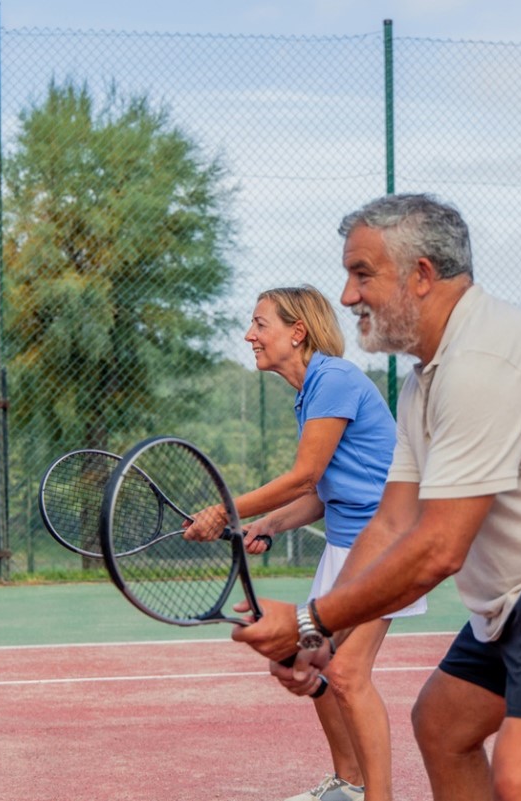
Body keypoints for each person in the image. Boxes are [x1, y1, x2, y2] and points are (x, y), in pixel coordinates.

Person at [232, 194, 521, 801]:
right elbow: (391, 525)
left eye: (362, 274)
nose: (346, 296)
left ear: (421, 275)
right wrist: (321, 640)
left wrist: (312, 621)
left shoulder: (481, 363)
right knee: (443, 726)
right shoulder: (426, 379)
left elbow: (439, 547)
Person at [185, 284, 426, 801]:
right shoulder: (311, 391)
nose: (249, 335)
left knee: (347, 671)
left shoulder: (334, 378)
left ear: (297, 333)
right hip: (346, 548)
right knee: (309, 657)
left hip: (384, 545)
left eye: (260, 324)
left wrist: (223, 511)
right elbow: (323, 492)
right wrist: (268, 525)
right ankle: (350, 785)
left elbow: (304, 475)